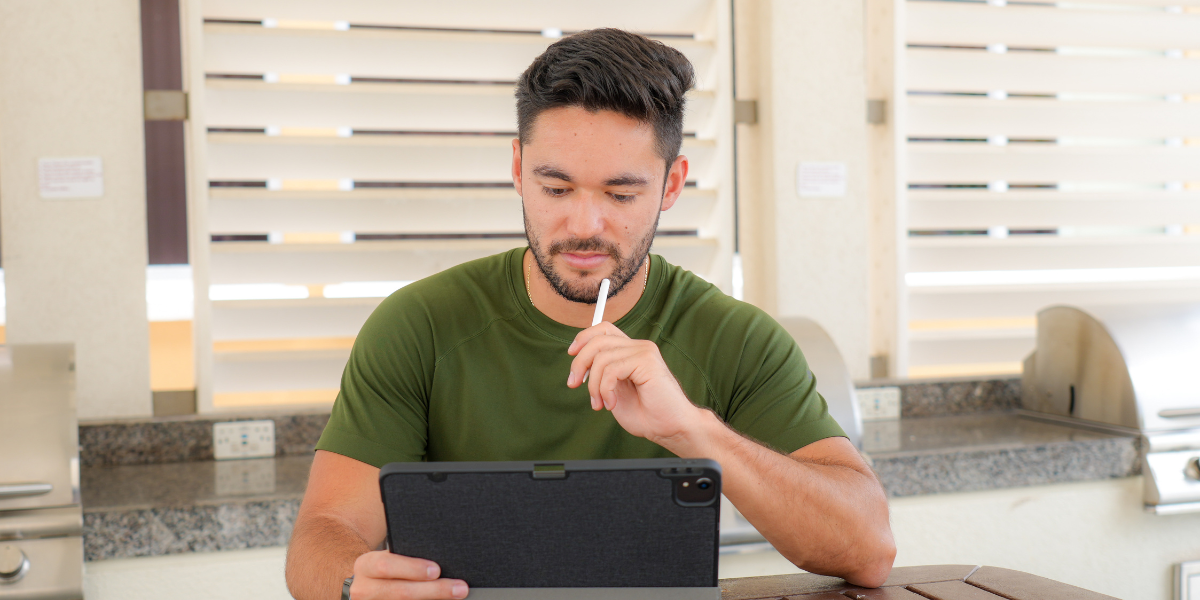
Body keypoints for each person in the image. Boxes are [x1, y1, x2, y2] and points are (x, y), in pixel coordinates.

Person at [285, 28, 895, 600]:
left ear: (672, 185)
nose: (584, 226)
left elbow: (868, 549)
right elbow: (322, 534)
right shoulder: (417, 326)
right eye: (556, 188)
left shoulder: (736, 339)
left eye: (621, 194)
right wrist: (349, 583)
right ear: (518, 169)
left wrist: (693, 430)